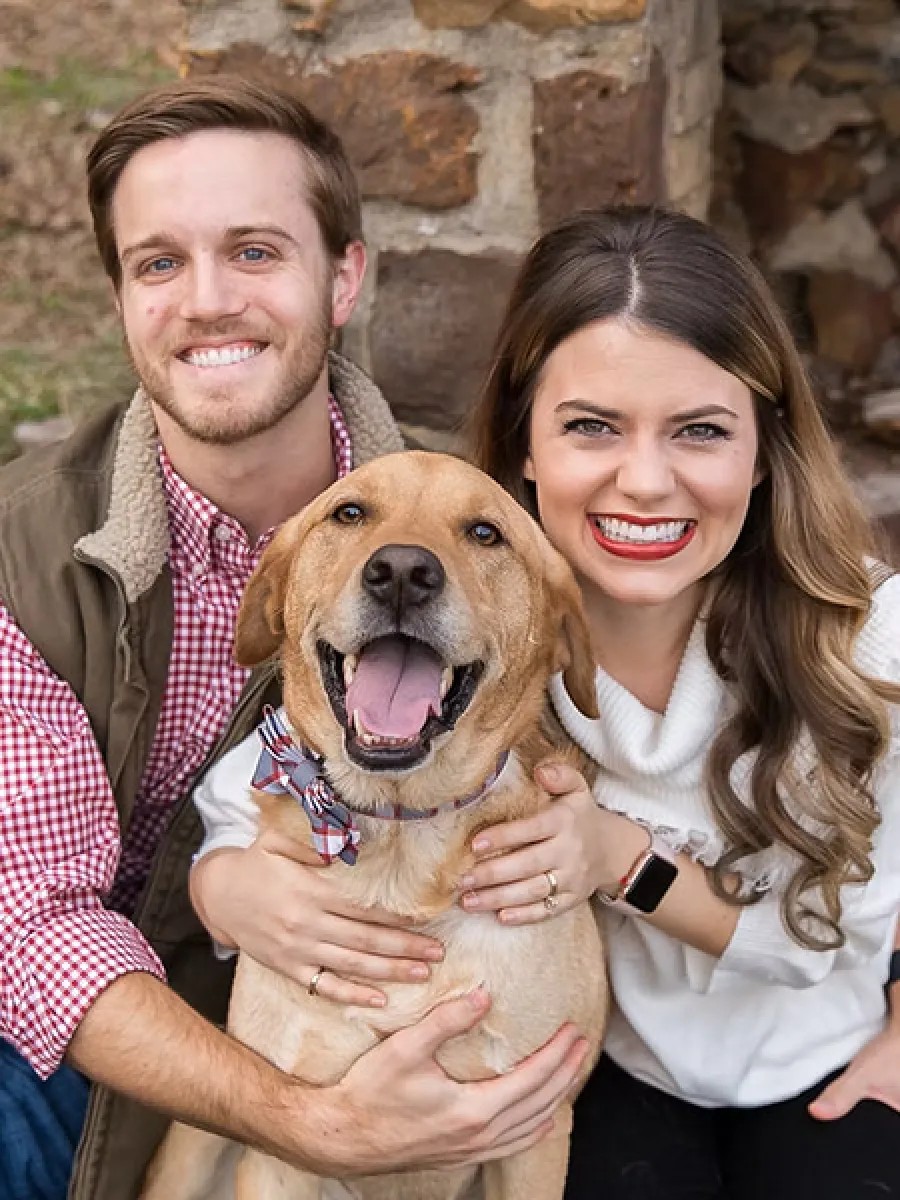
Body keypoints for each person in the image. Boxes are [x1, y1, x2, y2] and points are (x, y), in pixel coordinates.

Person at [0, 77, 588, 1200]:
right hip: (96, 1041)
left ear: (345, 277)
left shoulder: (465, 529)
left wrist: (591, 825)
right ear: (121, 298)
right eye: (160, 262)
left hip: (390, 989)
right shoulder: (15, 558)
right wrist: (311, 1121)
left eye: (256, 251)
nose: (208, 299)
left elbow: (592, 662)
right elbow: (35, 932)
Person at [462, 204, 900, 1198]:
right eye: (591, 428)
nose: (647, 481)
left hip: (824, 1051)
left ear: (761, 448)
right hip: (614, 1057)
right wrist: (230, 886)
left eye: (700, 431)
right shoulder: (474, 638)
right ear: (524, 441)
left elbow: (812, 945)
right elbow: (285, 771)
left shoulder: (867, 639)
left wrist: (617, 857)